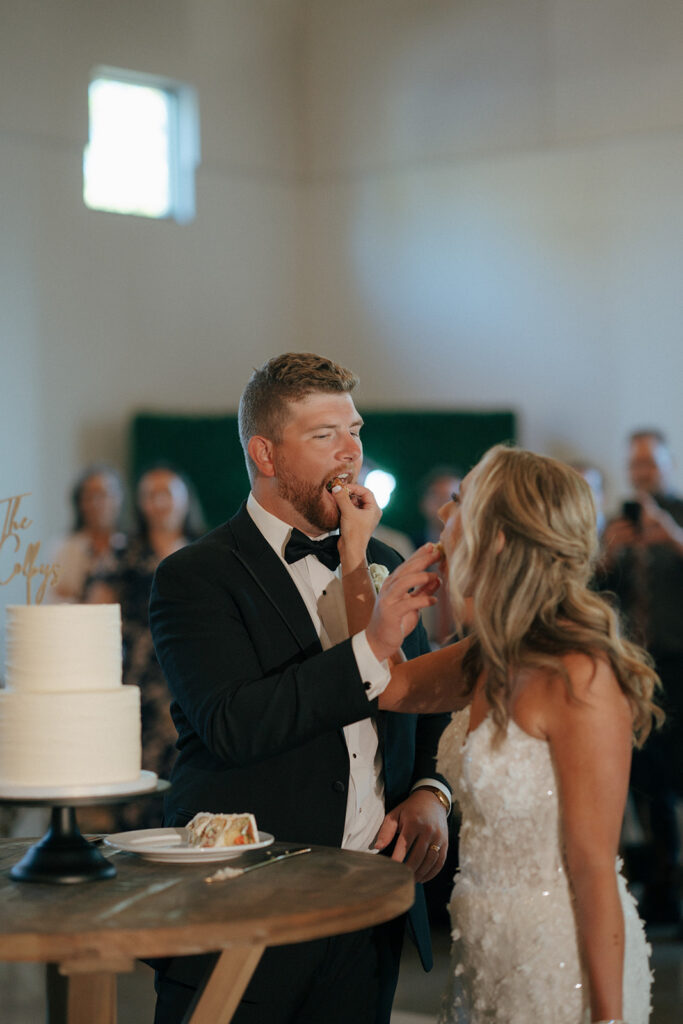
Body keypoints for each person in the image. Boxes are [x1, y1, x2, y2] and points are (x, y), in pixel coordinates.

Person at [148, 353, 452, 1024]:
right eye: (324, 436)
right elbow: (234, 722)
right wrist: (370, 647)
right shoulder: (195, 576)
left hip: (369, 910)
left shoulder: (385, 562)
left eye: (355, 430)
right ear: (264, 453)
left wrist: (432, 791)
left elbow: (429, 704)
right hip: (241, 907)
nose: (351, 453)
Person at [350, 445, 660, 1024]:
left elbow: (594, 868)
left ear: (496, 535)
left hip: (559, 961)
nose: (444, 513)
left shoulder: (580, 673)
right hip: (483, 953)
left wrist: (608, 1017)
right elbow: (387, 688)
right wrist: (354, 558)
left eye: (461, 501)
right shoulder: (486, 655)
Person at [87, 464, 205, 829]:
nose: (159, 502)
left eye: (167, 492)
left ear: (186, 498)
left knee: (189, 768)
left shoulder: (205, 553)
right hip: (139, 680)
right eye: (149, 495)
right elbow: (96, 610)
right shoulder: (124, 553)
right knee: (139, 770)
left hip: (192, 675)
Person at [598, 428, 683, 924]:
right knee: (642, 778)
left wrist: (669, 536)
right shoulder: (618, 523)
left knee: (673, 778)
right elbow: (599, 595)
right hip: (631, 668)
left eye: (650, 464)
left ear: (668, 464)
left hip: (679, 667)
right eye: (635, 466)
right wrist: (608, 555)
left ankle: (671, 883)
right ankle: (653, 886)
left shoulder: (678, 518)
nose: (642, 473)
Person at [48, 463, 126, 602]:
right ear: (79, 503)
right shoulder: (65, 548)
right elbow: (57, 598)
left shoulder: (130, 546)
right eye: (89, 496)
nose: (97, 503)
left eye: (104, 495)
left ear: (119, 498)